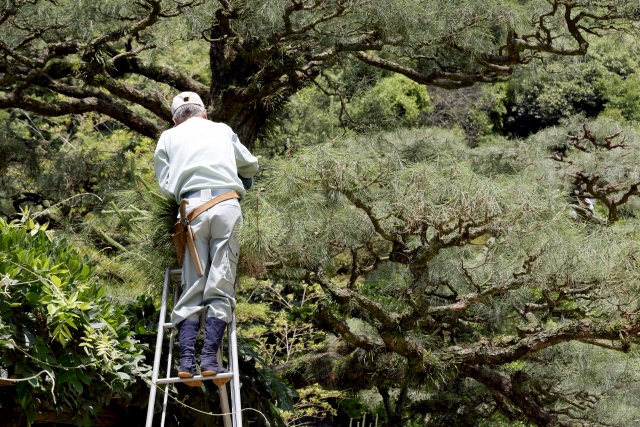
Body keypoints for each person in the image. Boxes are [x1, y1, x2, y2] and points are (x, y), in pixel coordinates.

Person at [154, 92, 259, 386]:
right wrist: (242, 177)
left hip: (191, 214)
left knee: (192, 284)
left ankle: (186, 361)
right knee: (221, 281)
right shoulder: (222, 130)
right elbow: (251, 165)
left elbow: (165, 186)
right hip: (226, 206)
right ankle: (211, 360)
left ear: (175, 119)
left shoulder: (168, 138)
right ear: (204, 113)